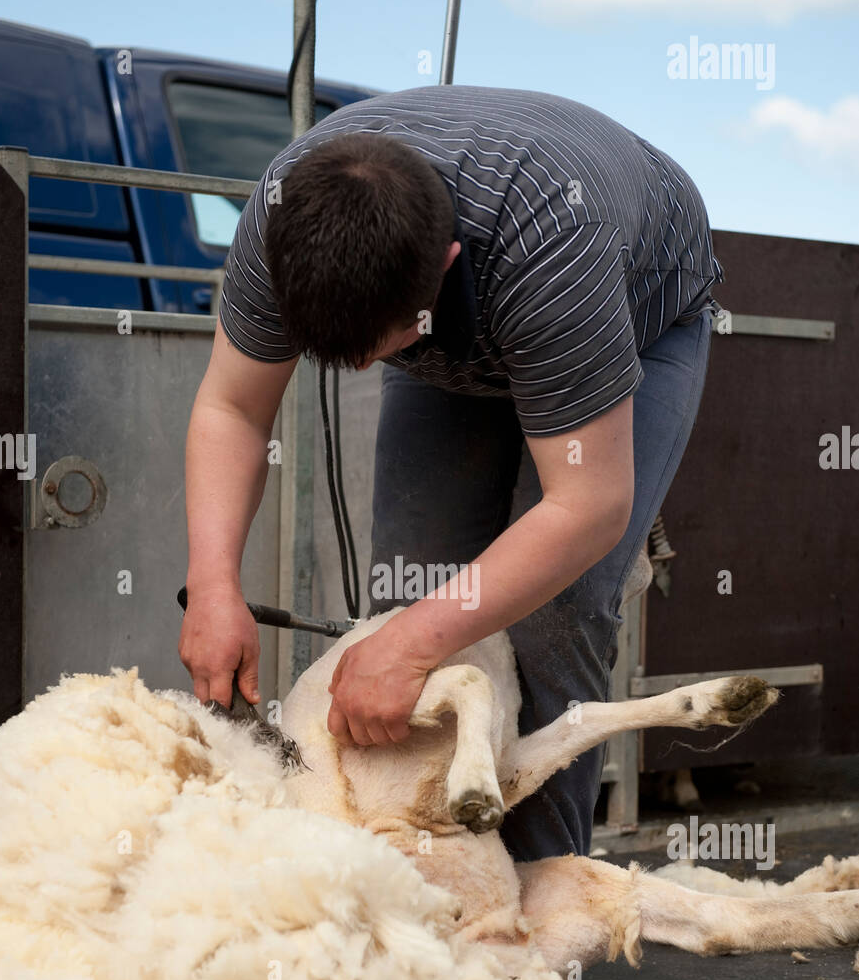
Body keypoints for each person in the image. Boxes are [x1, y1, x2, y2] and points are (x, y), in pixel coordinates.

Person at [179, 85, 720, 863]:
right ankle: (410, 879)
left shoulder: (554, 245)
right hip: (458, 341)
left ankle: (537, 917)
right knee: (411, 587)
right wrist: (213, 586)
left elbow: (588, 503)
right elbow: (232, 409)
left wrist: (410, 646)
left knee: (551, 612)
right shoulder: (279, 222)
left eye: (378, 344)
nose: (361, 364)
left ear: (444, 265)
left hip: (635, 310)